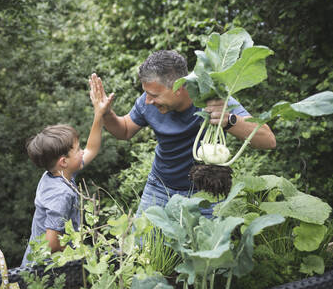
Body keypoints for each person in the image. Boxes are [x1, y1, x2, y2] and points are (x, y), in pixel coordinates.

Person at [89, 50, 276, 216]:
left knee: (204, 252)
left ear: (179, 87)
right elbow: (124, 131)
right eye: (146, 93)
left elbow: (268, 140)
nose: (147, 101)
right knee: (142, 251)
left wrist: (229, 120)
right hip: (159, 188)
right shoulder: (148, 101)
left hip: (207, 192)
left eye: (154, 95)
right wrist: (105, 113)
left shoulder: (214, 98)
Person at [21, 75, 113, 267]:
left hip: (46, 264)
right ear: (64, 161)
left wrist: (99, 114)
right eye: (77, 149)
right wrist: (84, 254)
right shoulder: (61, 194)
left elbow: (92, 149)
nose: (82, 152)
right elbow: (52, 243)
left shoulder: (57, 174)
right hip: (46, 271)